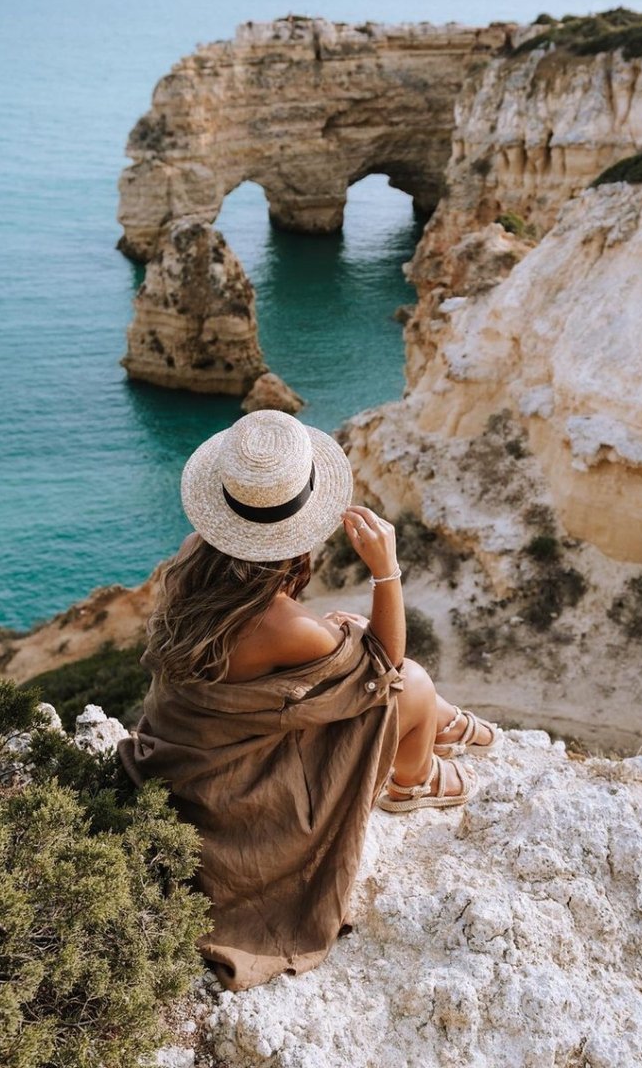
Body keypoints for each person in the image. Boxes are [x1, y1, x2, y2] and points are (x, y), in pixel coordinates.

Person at [116, 409, 501, 991]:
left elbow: (266, 662)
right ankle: (413, 778)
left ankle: (449, 725)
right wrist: (386, 572)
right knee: (414, 684)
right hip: (239, 804)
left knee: (387, 673)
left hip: (183, 764)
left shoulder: (197, 561)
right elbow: (384, 670)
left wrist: (327, 635)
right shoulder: (285, 625)